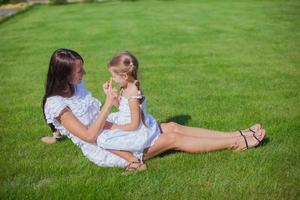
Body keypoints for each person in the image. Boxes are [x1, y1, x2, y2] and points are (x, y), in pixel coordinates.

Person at [42, 48, 266, 173]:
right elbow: (88, 135)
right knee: (173, 138)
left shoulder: (74, 86)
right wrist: (109, 103)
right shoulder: (56, 103)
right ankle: (235, 143)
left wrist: (55, 135)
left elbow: (69, 123)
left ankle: (237, 134)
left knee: (173, 126)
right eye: (79, 70)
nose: (84, 73)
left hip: (110, 128)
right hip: (107, 146)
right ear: (64, 74)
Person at [96, 52, 161, 174]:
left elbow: (134, 125)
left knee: (101, 139)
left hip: (134, 130)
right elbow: (124, 109)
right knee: (100, 126)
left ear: (124, 76)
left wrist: (114, 127)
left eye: (114, 76)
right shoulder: (126, 87)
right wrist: (111, 97)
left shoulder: (132, 92)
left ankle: (134, 161)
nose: (113, 79)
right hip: (125, 121)